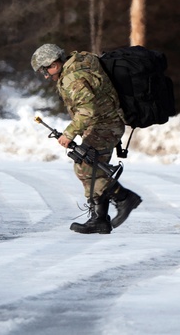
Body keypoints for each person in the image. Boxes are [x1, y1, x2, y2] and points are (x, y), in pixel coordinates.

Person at [31, 43, 142, 234]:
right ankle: (99, 219)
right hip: (105, 124)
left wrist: (69, 133)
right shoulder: (79, 64)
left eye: (45, 70)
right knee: (92, 165)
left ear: (54, 65)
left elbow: (87, 110)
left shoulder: (73, 78)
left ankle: (123, 198)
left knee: (84, 167)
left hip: (105, 126)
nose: (46, 76)